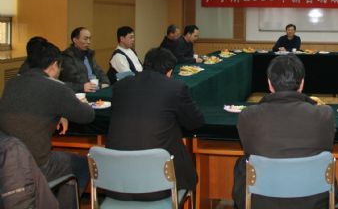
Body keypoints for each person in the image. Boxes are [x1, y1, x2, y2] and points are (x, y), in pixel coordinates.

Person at [232, 55, 338, 209]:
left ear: (269, 84)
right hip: (315, 201)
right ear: (302, 83)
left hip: (259, 201)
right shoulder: (324, 115)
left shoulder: (248, 116)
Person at [0, 38, 95, 209]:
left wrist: (59, 114)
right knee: (82, 165)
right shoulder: (55, 87)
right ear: (53, 65)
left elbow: (31, 107)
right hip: (35, 164)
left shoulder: (11, 83)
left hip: (6, 162)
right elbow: (87, 115)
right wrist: (71, 107)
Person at [106, 47, 205, 201]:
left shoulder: (120, 86)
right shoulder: (175, 87)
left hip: (116, 184)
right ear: (169, 72)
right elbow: (195, 121)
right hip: (162, 185)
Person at [60, 27, 109, 92]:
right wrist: (99, 86)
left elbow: (99, 71)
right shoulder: (68, 56)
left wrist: (105, 82)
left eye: (89, 39)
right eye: (85, 39)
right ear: (75, 40)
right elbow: (75, 79)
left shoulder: (89, 54)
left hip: (96, 88)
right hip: (82, 91)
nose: (88, 42)